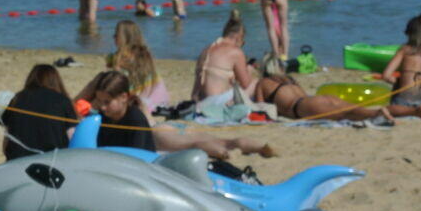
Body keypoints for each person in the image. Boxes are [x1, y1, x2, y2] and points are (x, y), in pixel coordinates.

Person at [85, 70, 277, 158]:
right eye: (100, 101)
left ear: (123, 97)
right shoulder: (104, 116)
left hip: (158, 135)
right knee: (207, 141)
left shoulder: (134, 118)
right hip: (160, 130)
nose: (102, 107)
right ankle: (241, 145)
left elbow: (139, 156)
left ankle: (243, 147)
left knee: (196, 144)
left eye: (106, 102)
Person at [254, 56, 421, 123]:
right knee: (357, 110)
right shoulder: (289, 79)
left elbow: (260, 108)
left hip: (303, 107)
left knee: (355, 114)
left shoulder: (263, 83)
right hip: (316, 99)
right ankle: (414, 111)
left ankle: (381, 113)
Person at [1, 64, 78, 160]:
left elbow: (6, 142)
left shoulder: (18, 98)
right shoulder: (63, 101)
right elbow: (73, 138)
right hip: (52, 160)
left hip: (17, 160)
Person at [96, 20, 170, 113]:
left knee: (99, 80)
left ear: (124, 38)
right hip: (155, 98)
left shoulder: (122, 57)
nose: (113, 37)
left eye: (116, 35)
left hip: (135, 99)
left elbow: (116, 82)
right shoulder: (144, 54)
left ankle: (79, 104)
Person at [381, 14, 421, 115]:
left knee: (400, 81)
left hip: (403, 103)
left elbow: (386, 75)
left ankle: (413, 110)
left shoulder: (404, 50)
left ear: (411, 34)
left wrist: (399, 81)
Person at [191, 9, 257, 106]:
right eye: (243, 43)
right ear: (239, 38)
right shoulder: (235, 52)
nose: (242, 45)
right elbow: (246, 84)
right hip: (215, 103)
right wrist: (249, 70)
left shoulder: (206, 50)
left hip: (198, 101)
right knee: (255, 83)